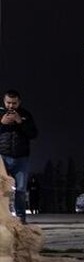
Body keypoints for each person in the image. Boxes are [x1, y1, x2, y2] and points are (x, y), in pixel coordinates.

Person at [1, 89, 39, 224]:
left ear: (19, 102)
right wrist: (1, 123)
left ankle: (21, 218)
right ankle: (2, 217)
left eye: (14, 103)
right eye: (8, 103)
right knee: (1, 189)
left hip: (21, 158)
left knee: (21, 189)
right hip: (2, 157)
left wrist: (20, 122)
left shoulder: (25, 115)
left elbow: (33, 134)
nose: (11, 106)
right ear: (4, 101)